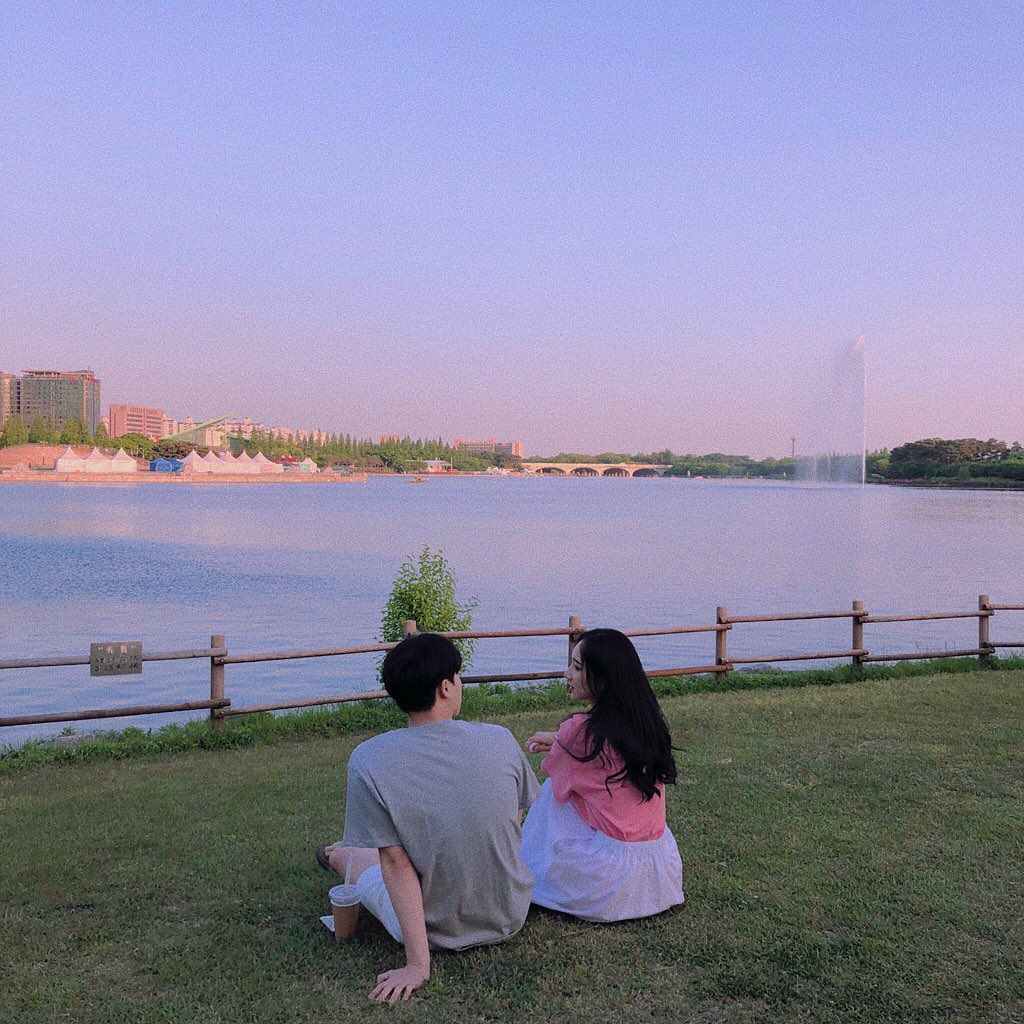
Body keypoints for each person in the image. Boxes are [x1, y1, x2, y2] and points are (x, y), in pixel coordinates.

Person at [317, 632, 540, 1003]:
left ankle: (335, 855)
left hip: (433, 930)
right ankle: (345, 850)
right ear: (446, 688)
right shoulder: (500, 739)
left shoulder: (368, 759)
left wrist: (418, 965)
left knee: (359, 856)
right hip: (509, 915)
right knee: (392, 848)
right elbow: (511, 818)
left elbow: (395, 863)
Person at [521, 628, 684, 922]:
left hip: (606, 887)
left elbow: (549, 769)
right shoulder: (646, 725)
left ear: (604, 677)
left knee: (551, 792)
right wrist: (559, 740)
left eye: (577, 667)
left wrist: (560, 743)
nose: (567, 673)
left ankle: (523, 865)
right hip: (661, 876)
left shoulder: (580, 732)